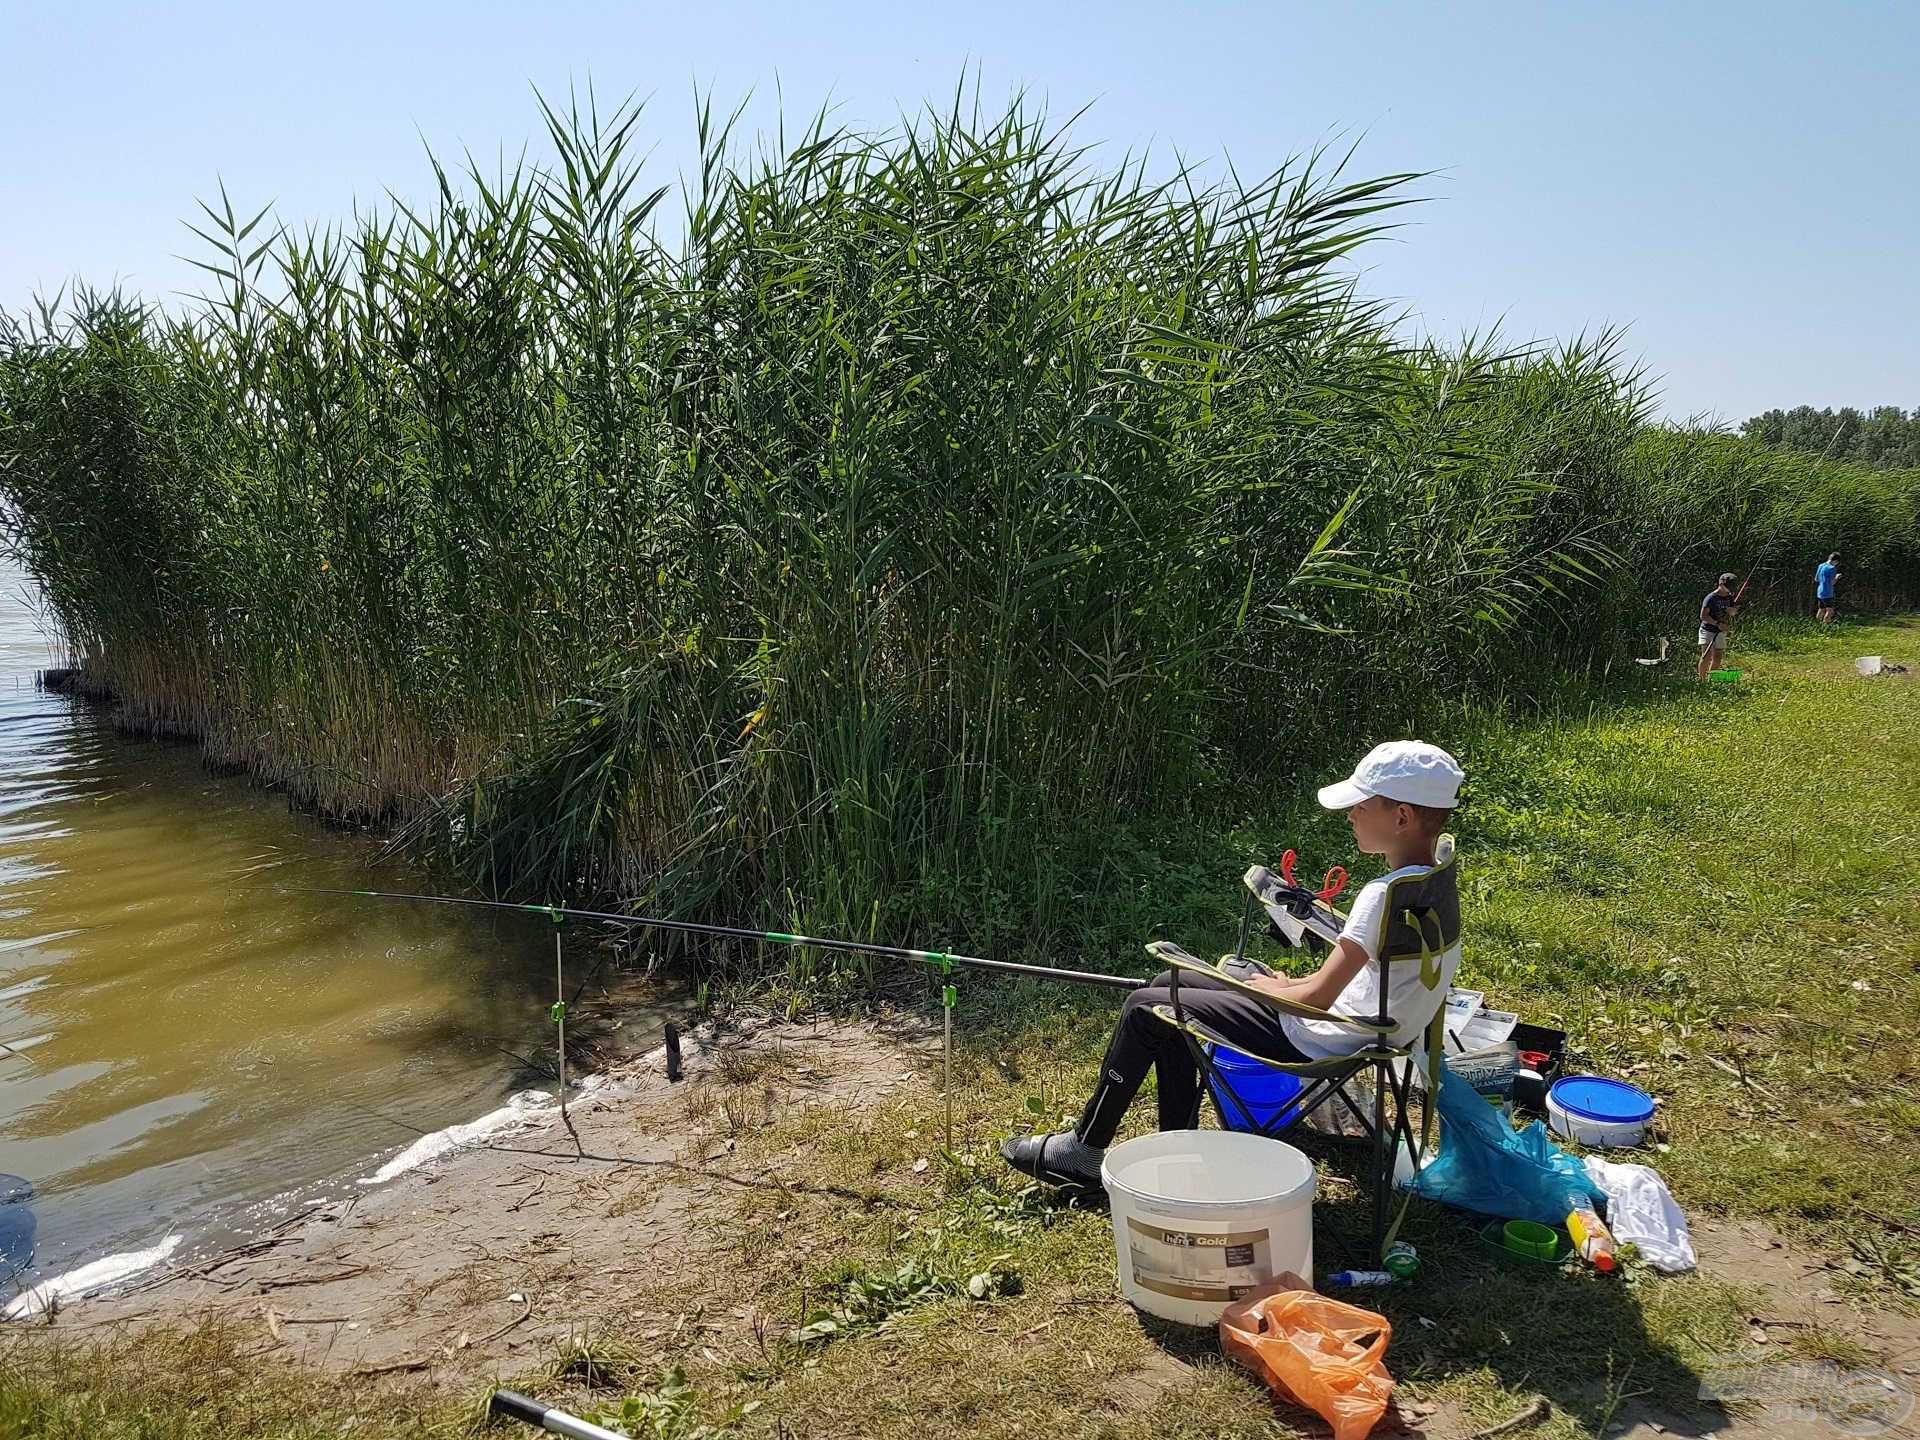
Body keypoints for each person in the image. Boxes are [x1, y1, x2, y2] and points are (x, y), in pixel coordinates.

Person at [1001, 740, 1464, 1190]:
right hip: (1370, 1029)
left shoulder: (1380, 896)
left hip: (1321, 1037)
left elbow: (1317, 998)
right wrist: (1286, 983)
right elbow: (1360, 980)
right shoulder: (1431, 884)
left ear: (1401, 817)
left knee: (1147, 1005)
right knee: (1170, 983)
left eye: (1361, 805)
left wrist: (1250, 989)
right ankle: (1176, 1141)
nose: (1350, 814)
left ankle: (1084, 1150)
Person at [1696, 571, 1740, 680]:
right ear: (1721, 584)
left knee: (1718, 657)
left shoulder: (1729, 598)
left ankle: (1712, 679)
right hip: (1707, 630)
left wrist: (1732, 611)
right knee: (1706, 656)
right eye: (1728, 587)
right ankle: (1701, 681)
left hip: (1720, 631)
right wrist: (1717, 624)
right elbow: (1703, 616)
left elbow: (1733, 612)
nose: (1730, 589)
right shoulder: (1711, 598)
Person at [1814, 553, 1841, 624]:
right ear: (1836, 561)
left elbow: (1816, 579)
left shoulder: (1821, 565)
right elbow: (1832, 583)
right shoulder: (1832, 568)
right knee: (1830, 611)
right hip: (1828, 592)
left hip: (1820, 591)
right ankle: (1825, 627)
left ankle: (1817, 626)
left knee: (1821, 609)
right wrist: (1837, 577)